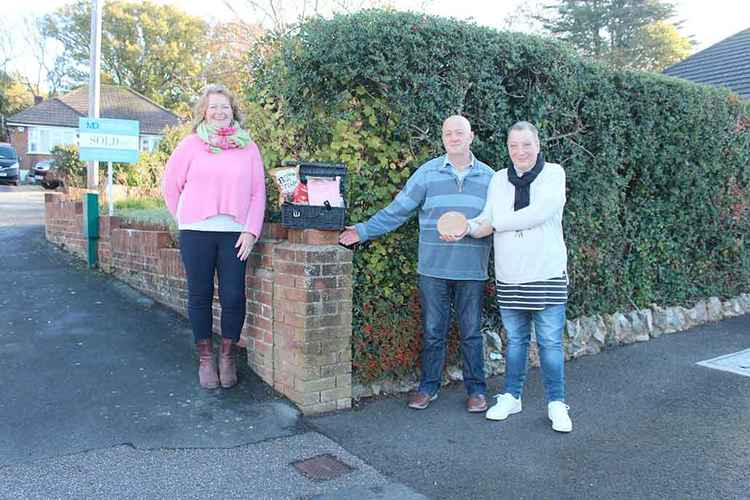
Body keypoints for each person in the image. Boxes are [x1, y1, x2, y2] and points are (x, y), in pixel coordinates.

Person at [339, 115, 494, 413]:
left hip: (472, 269)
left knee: (471, 331)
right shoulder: (427, 173)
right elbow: (398, 210)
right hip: (432, 269)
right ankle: (428, 387)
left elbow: (498, 221)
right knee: (434, 330)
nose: (453, 137)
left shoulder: (490, 178)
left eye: (459, 132)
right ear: (443, 137)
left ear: (471, 136)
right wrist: (363, 230)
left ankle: (477, 390)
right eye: (448, 133)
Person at [447, 120, 572, 432]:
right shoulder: (499, 179)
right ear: (508, 148)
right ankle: (511, 397)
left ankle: (557, 404)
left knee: (550, 343)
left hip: (546, 274)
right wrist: (467, 227)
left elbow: (538, 213)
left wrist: (494, 222)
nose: (520, 152)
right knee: (515, 341)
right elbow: (486, 220)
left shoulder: (554, 174)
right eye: (514, 146)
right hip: (510, 276)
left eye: (526, 145)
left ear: (538, 145)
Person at [162, 84, 266, 389]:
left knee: (234, 295)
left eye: (225, 107)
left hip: (235, 233)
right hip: (196, 231)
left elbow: (259, 192)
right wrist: (183, 218)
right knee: (200, 294)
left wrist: (251, 230)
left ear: (233, 111)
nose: (220, 112)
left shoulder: (248, 147)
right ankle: (206, 358)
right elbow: (171, 186)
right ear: (203, 112)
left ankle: (227, 355)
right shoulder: (191, 145)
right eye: (213, 107)